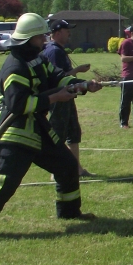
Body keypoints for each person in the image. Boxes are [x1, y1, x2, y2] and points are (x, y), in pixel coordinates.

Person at [0, 13, 102, 242]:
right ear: (28, 39)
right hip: (16, 131)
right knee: (7, 182)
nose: (44, 40)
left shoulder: (37, 59)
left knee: (67, 165)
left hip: (37, 126)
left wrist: (83, 85)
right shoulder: (15, 68)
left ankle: (69, 212)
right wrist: (54, 98)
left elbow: (57, 78)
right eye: (40, 37)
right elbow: (18, 105)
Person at [42, 20, 92, 177]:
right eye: (66, 30)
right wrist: (78, 70)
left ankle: (76, 170)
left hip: (68, 96)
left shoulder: (59, 50)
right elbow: (58, 78)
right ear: (57, 33)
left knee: (73, 133)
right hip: (59, 98)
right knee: (58, 135)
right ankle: (56, 172)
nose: (69, 33)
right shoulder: (54, 51)